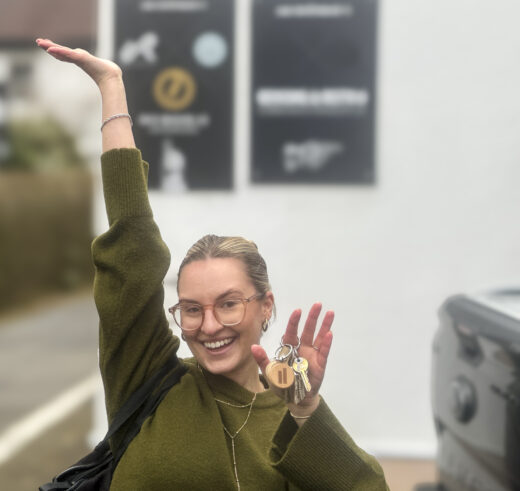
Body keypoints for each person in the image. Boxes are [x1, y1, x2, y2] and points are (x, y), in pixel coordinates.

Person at [36, 38, 388, 490]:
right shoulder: (149, 378)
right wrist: (112, 87)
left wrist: (304, 409)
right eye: (191, 309)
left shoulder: (290, 418)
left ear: (265, 306)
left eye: (228, 304)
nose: (208, 325)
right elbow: (133, 248)